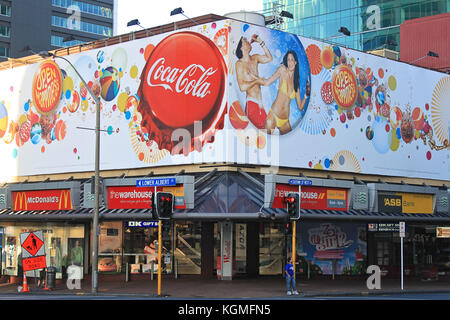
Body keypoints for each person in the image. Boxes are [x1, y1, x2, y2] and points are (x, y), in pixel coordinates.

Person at [263, 50, 310, 135]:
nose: (290, 62)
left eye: (292, 60)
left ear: (295, 62)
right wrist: (256, 80)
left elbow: (300, 107)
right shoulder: (282, 70)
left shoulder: (296, 83)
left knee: (289, 145)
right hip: (274, 114)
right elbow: (267, 82)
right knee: (264, 140)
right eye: (288, 59)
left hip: (284, 120)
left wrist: (306, 95)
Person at [235, 34, 273, 129]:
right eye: (245, 41)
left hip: (260, 104)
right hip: (252, 103)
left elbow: (269, 58)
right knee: (261, 135)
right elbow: (242, 87)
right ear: (241, 47)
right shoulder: (239, 64)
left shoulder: (255, 58)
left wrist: (261, 42)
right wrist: (257, 81)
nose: (248, 42)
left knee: (268, 134)